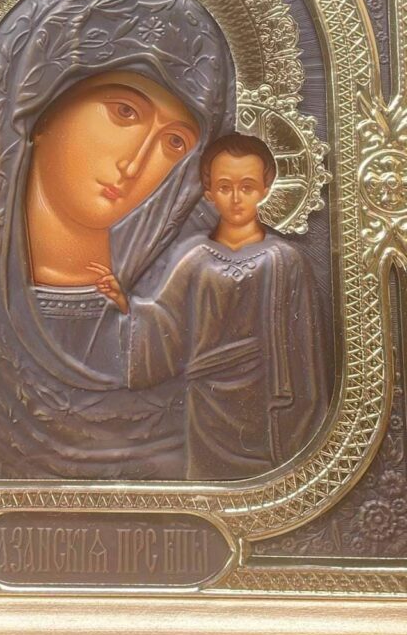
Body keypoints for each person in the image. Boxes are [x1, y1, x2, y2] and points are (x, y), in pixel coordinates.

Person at [0, 0, 235, 480]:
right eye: (124, 112)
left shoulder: (184, 318)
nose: (137, 163)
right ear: (40, 107)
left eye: (174, 142)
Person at [92, 133, 330, 480]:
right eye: (224, 187)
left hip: (268, 402)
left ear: (265, 189)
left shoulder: (286, 260)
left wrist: (304, 414)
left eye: (247, 187)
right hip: (208, 406)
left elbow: (304, 349)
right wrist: (127, 304)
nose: (236, 198)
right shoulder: (196, 258)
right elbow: (166, 321)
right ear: (209, 193)